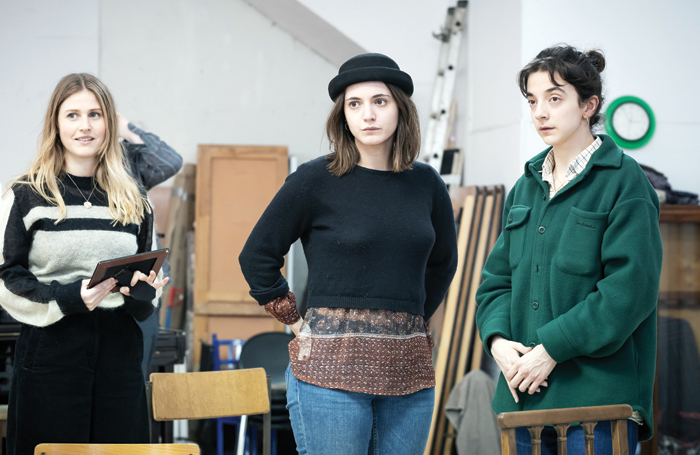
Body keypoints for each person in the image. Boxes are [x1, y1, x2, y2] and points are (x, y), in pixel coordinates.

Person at [239, 53, 458, 455]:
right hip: (329, 369)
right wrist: (293, 320)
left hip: (408, 370)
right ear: (342, 116)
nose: (367, 114)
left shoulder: (426, 183)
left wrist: (412, 318)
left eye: (380, 101)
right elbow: (256, 256)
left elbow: (443, 262)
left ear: (400, 109)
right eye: (354, 104)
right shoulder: (315, 180)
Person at [475, 45, 663, 454]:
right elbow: (496, 282)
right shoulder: (526, 185)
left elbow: (628, 293)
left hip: (598, 406)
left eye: (554, 98)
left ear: (588, 105)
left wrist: (551, 350)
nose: (540, 112)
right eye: (532, 100)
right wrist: (498, 343)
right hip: (523, 400)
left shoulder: (625, 183)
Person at [0, 73, 173, 454]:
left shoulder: (134, 201)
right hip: (50, 349)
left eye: (95, 114)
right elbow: (6, 277)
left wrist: (145, 293)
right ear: (56, 124)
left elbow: (145, 294)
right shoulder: (27, 195)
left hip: (120, 354)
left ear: (109, 123)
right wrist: (69, 297)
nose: (85, 126)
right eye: (73, 115)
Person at [116, 112, 183, 380]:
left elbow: (170, 161)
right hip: (104, 291)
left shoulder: (130, 168)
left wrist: (126, 129)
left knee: (136, 381)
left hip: (142, 290)